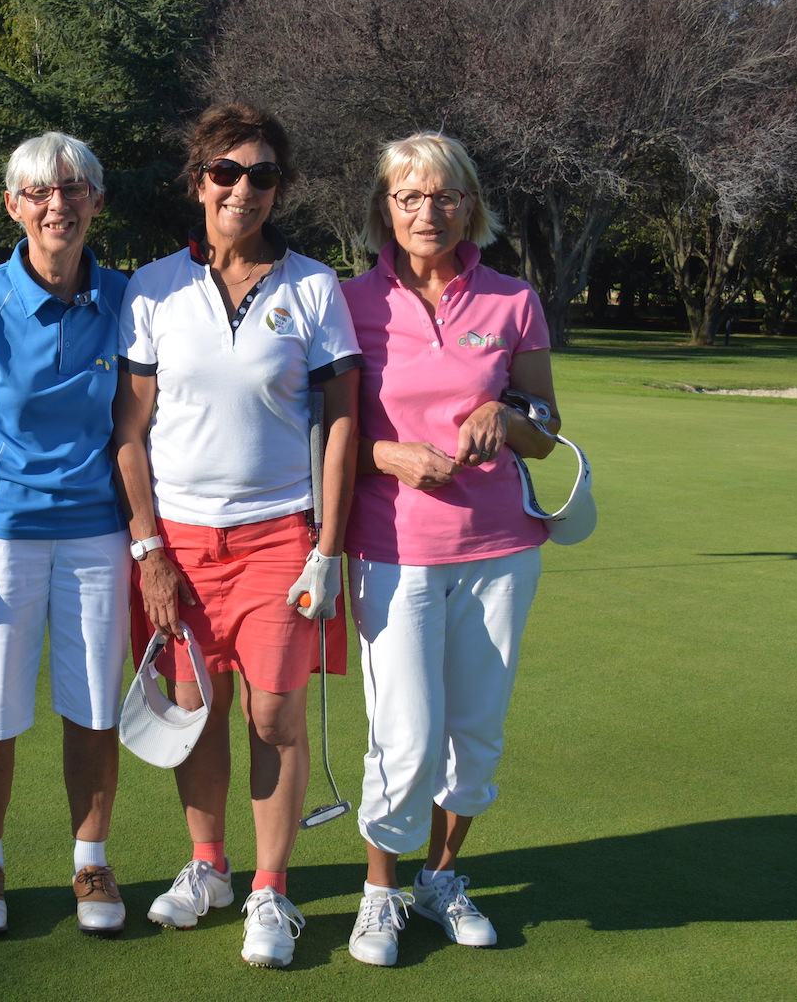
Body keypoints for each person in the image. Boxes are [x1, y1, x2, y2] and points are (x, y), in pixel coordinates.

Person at [111, 103, 361, 969]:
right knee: (195, 709)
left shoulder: (313, 287)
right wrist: (148, 550)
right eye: (225, 171)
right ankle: (208, 865)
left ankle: (270, 889)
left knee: (274, 712)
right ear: (197, 181)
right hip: (177, 540)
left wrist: (329, 546)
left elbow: (340, 423)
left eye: (260, 175)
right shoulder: (152, 288)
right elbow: (130, 431)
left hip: (279, 537)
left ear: (278, 188)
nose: (241, 189)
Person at [339, 132, 561, 967]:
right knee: (404, 734)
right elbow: (315, 433)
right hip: (391, 550)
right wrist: (382, 454)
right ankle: (379, 891)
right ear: (383, 209)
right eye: (408, 197)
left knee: (475, 733)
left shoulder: (512, 300)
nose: (426, 212)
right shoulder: (347, 301)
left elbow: (546, 428)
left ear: (470, 204)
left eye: (444, 196)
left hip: (500, 549)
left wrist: (507, 420)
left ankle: (439, 877)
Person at [0, 132, 131, 938]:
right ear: (14, 204)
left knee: (92, 713)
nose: (59, 203)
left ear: (96, 204)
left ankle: (91, 860)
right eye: (40, 191)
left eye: (75, 188)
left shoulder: (125, 297)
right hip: (1, 539)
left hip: (98, 536)